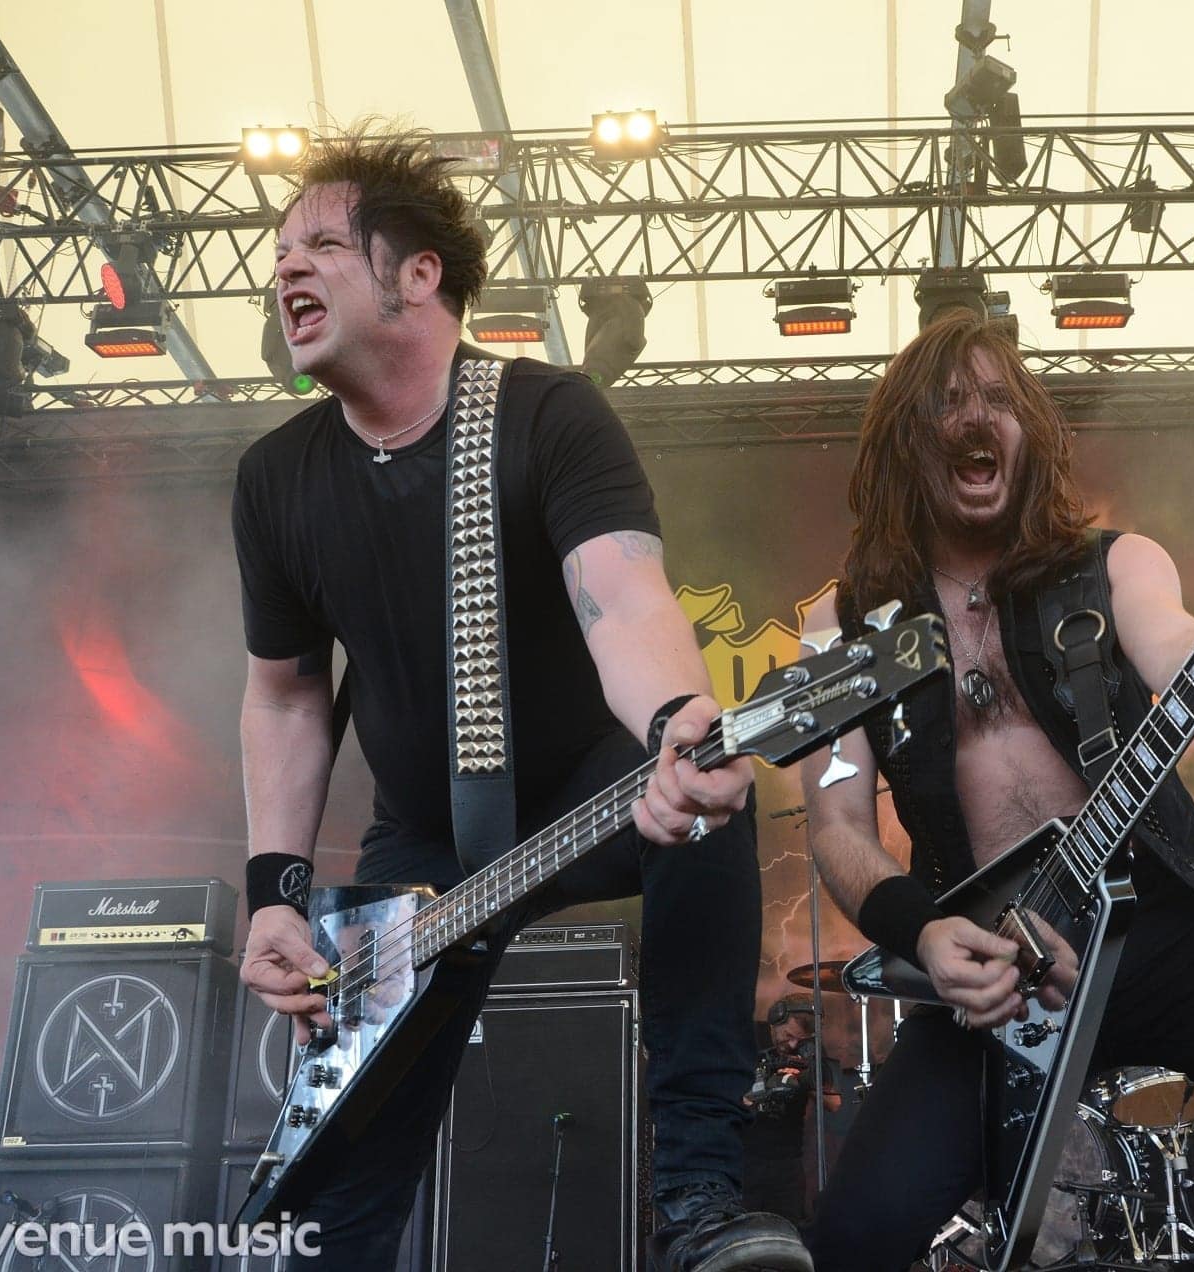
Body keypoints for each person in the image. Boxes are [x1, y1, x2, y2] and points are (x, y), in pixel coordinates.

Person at [230, 128, 810, 1272]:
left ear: (418, 275)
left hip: (592, 784)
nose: (285, 265)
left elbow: (622, 598)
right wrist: (274, 897)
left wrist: (676, 728)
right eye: (280, 249)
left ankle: (697, 1195)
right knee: (329, 1210)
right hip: (420, 842)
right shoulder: (276, 480)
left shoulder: (546, 413)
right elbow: (286, 700)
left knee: (706, 800)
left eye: (324, 245)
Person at [798, 313, 1194, 1271]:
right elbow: (838, 827)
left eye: (1000, 400)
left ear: (1031, 435)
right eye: (949, 402)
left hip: (1171, 928)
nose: (978, 418)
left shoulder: (1116, 563)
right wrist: (924, 936)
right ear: (904, 442)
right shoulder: (840, 628)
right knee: (852, 1237)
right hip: (996, 969)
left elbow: (1185, 652)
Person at [741, 995, 843, 1224]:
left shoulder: (809, 1050)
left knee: (787, 1227)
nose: (793, 1045)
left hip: (788, 1162)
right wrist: (765, 1089)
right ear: (774, 1023)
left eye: (800, 1039)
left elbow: (834, 1103)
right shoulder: (750, 1039)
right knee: (743, 1228)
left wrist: (803, 1080)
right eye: (788, 1036)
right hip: (747, 1159)